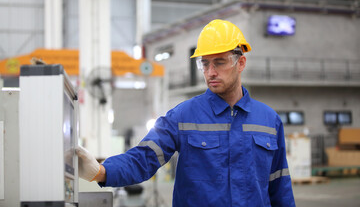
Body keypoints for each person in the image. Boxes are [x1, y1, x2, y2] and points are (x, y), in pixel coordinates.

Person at [77, 19, 296, 207]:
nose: (210, 72)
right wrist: (101, 171)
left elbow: (280, 185)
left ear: (241, 62)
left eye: (219, 62)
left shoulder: (269, 121)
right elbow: (144, 158)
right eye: (205, 64)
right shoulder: (182, 117)